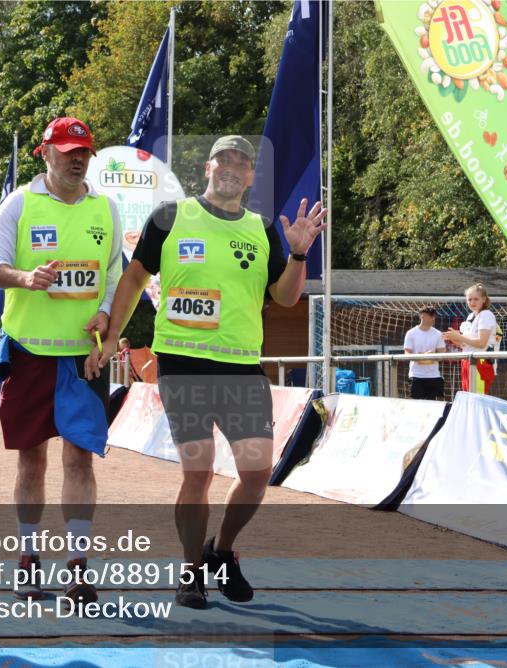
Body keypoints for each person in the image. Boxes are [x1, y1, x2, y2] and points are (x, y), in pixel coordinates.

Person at [86, 135, 327, 609]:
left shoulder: (261, 229)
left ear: (251, 176)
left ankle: (222, 551)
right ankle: (191, 569)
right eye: (225, 161)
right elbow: (134, 278)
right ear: (208, 169)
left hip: (241, 366)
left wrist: (298, 254)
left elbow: (284, 298)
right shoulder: (171, 218)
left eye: (243, 163)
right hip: (182, 364)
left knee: (257, 473)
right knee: (197, 472)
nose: (234, 168)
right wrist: (113, 334)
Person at [0, 116, 122, 605]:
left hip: (82, 359)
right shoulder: (19, 204)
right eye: (67, 150)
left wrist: (105, 316)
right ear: (45, 154)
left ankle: (78, 568)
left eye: (83, 150)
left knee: (80, 458)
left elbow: (115, 276)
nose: (77, 158)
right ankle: (28, 558)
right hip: (29, 353)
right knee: (32, 461)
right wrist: (23, 278)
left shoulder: (106, 207)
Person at [443, 283, 500, 394]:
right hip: (467, 360)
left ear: (483, 299)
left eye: (476, 299)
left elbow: (481, 343)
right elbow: (465, 344)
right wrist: (453, 338)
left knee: (477, 399)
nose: (472, 302)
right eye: (469, 299)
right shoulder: (471, 316)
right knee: (469, 397)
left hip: (480, 362)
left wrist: (459, 337)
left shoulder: (486, 315)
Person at [404, 307, 446, 400]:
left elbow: (442, 354)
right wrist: (422, 357)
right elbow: (407, 354)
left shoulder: (438, 334)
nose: (433, 319)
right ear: (422, 316)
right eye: (431, 316)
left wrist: (432, 356)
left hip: (434, 376)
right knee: (416, 405)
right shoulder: (411, 333)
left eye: (434, 316)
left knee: (434, 406)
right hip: (416, 375)